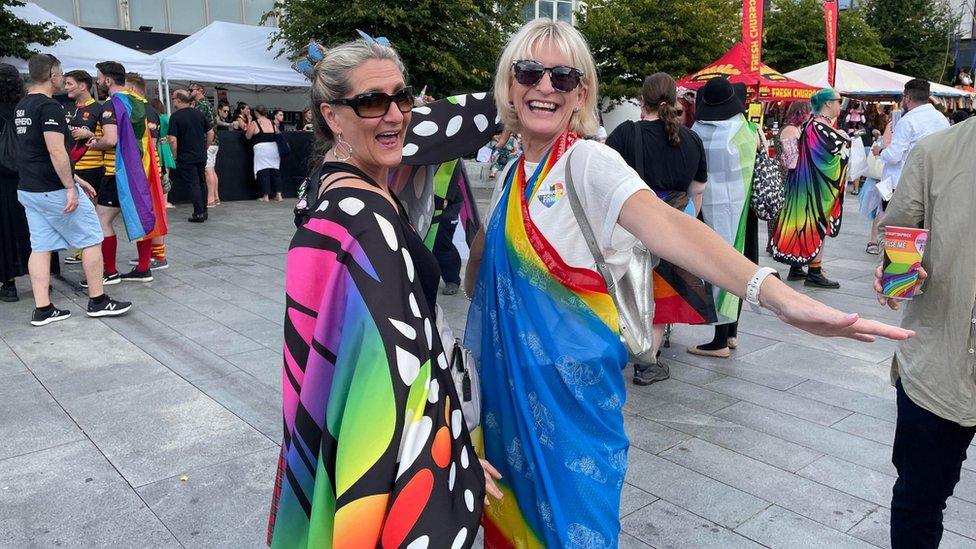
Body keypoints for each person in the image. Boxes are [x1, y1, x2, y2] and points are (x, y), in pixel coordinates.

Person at [462, 20, 911, 547]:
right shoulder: (515, 172)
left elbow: (672, 226)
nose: (544, 86)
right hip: (505, 404)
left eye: (562, 77)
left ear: (581, 93)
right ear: (509, 84)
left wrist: (780, 298)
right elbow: (480, 280)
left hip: (571, 412)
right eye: (530, 71)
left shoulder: (587, 162)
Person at [266, 36, 498, 548]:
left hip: (343, 428)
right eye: (372, 101)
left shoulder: (335, 187)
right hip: (386, 455)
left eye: (403, 97)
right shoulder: (367, 219)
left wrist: (517, 98)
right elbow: (400, 376)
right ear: (332, 116)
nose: (394, 115)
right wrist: (455, 454)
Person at [874, 113, 975, 549]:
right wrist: (894, 275)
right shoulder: (934, 152)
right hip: (939, 364)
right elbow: (901, 245)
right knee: (920, 498)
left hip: (940, 361)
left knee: (920, 498)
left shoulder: (936, 151)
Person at [606, 72, 713, 382]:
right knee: (662, 293)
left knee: (631, 288)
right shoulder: (692, 138)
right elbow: (697, 189)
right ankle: (648, 360)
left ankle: (630, 349)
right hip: (676, 225)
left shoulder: (626, 134)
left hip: (633, 224)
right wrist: (686, 222)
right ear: (677, 102)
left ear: (643, 101)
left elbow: (604, 178)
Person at [13, 54, 130, 324]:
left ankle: (43, 308)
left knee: (40, 246)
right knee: (91, 237)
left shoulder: (23, 106)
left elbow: (34, 151)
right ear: (52, 75)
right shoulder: (49, 107)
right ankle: (98, 300)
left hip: (29, 188)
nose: (63, 81)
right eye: (61, 75)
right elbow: (55, 151)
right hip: (52, 188)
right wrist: (69, 186)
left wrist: (75, 179)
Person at [684, 78, 761, 359]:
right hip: (744, 214)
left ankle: (717, 340)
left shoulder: (697, 132)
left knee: (718, 268)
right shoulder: (747, 130)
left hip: (708, 212)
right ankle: (731, 334)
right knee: (740, 264)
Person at [85, 60, 168, 285]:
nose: (98, 81)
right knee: (142, 217)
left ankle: (109, 271)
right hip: (145, 173)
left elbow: (111, 139)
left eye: (99, 77)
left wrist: (93, 143)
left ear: (109, 80)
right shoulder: (144, 104)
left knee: (103, 220)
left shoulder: (111, 105)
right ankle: (143, 267)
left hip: (117, 172)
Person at [772, 88, 850, 288]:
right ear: (828, 103)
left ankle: (796, 267)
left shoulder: (812, 124)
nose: (840, 106)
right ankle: (814, 271)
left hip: (803, 183)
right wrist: (842, 140)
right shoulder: (818, 126)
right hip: (813, 186)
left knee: (802, 223)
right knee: (815, 224)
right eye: (838, 101)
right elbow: (829, 155)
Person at [872, 79, 949, 194]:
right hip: (932, 182)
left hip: (903, 184)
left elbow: (894, 156)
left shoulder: (907, 121)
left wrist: (880, 151)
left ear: (907, 98)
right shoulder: (942, 119)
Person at [125, 73, 169, 271]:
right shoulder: (144, 110)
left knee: (151, 212)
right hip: (147, 168)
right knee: (150, 212)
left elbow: (149, 145)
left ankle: (158, 256)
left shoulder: (146, 111)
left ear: (133, 89)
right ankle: (153, 254)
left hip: (148, 169)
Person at [59, 69, 103, 266]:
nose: (65, 87)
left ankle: (89, 251)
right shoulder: (68, 109)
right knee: (77, 212)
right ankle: (81, 250)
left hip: (92, 167)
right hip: (72, 169)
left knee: (88, 212)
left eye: (69, 83)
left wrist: (89, 135)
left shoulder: (99, 109)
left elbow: (111, 139)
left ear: (83, 85)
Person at [0, 62, 31, 302]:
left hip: (2, 178)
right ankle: (39, 278)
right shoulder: (26, 107)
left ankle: (8, 283)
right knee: (32, 226)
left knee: (4, 229)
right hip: (28, 174)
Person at [769, 100, 811, 255]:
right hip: (787, 176)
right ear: (801, 113)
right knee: (783, 211)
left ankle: (776, 243)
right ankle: (777, 244)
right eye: (808, 111)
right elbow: (792, 159)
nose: (810, 115)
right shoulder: (792, 130)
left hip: (784, 174)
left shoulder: (790, 128)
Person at [168, 89, 213, 222]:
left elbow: (172, 140)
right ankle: (203, 211)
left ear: (179, 100)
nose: (173, 101)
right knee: (201, 182)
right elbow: (211, 133)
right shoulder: (198, 113)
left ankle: (198, 213)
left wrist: (174, 155)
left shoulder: (175, 117)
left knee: (193, 184)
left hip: (186, 156)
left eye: (173, 99)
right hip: (200, 154)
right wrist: (205, 148)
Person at [189, 83, 220, 206]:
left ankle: (210, 199)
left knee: (208, 170)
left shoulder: (201, 105)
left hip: (207, 141)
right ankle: (215, 197)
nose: (189, 92)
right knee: (211, 170)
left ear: (200, 90)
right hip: (213, 141)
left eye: (191, 90)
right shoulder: (208, 104)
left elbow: (196, 123)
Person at [246, 105, 283, 202]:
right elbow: (278, 134)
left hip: (262, 149)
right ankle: (279, 195)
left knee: (264, 171)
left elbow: (248, 136)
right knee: (275, 171)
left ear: (256, 113)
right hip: (274, 148)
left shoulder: (255, 123)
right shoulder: (272, 122)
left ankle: (265, 196)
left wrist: (249, 121)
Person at [150, 98, 176, 209]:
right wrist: (166, 137)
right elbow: (173, 132)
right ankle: (164, 201)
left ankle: (157, 201)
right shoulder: (165, 118)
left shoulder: (150, 118)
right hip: (164, 147)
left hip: (153, 146)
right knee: (166, 175)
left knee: (155, 176)